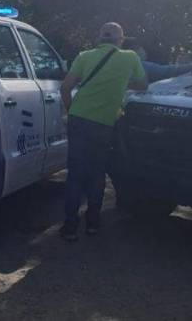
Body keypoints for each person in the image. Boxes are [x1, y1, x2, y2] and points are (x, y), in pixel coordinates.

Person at [59, 22, 148, 241]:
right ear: (121, 40)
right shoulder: (130, 58)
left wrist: (72, 112)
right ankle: (92, 224)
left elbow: (65, 87)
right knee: (97, 173)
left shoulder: (84, 56)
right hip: (104, 123)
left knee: (75, 174)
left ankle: (70, 227)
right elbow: (143, 84)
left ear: (100, 38)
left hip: (79, 119)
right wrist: (120, 84)